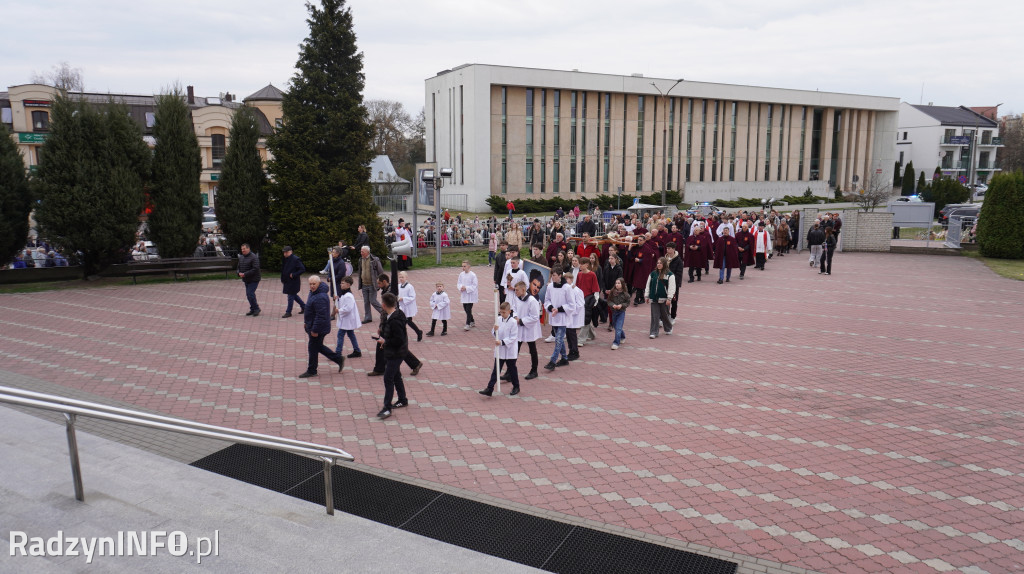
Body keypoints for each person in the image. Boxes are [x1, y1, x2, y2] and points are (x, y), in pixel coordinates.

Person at [368, 273, 423, 377]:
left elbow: (387, 310)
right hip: (388, 322)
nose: (378, 285)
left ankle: (380, 369)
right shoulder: (386, 290)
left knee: (392, 346)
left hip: (391, 322)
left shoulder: (390, 292)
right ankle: (415, 363)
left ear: (384, 282)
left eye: (379, 283)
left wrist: (382, 325)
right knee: (390, 346)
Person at [299, 276, 345, 378]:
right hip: (314, 326)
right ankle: (338, 359)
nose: (312, 286)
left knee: (313, 348)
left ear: (319, 284)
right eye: (310, 284)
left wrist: (314, 330)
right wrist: (306, 322)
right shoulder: (313, 293)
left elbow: (321, 316)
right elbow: (310, 310)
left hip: (319, 328)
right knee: (317, 346)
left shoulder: (320, 297)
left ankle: (312, 370)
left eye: (314, 284)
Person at [376, 292, 409, 419]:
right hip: (395, 351)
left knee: (388, 378)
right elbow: (387, 326)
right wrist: (382, 330)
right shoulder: (394, 314)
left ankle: (387, 408)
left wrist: (385, 342)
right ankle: (402, 399)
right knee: (396, 375)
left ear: (384, 305)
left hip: (396, 353)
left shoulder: (395, 320)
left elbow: (398, 340)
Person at [480, 302, 520, 397]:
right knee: (496, 369)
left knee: (512, 369)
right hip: (500, 350)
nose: (502, 314)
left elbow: (513, 337)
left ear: (509, 312)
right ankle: (490, 388)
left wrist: (502, 342)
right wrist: (494, 330)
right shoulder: (498, 319)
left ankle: (516, 386)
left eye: (504, 312)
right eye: (501, 312)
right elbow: (494, 333)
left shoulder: (513, 322)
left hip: (509, 349)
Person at [543, 266, 575, 370]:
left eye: (554, 275)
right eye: (552, 275)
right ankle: (564, 359)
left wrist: (559, 309)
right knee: (559, 339)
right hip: (554, 316)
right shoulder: (550, 286)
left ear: (560, 276)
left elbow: (572, 305)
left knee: (558, 339)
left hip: (562, 317)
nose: (552, 277)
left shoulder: (567, 288)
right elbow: (546, 300)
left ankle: (553, 361)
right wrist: (551, 308)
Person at [509, 280, 540, 380]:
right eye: (515, 290)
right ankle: (510, 371)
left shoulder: (532, 301)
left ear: (523, 289)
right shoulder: (517, 298)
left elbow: (535, 317)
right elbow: (514, 309)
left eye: (517, 290)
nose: (515, 292)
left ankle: (534, 370)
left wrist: (521, 321)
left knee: (532, 349)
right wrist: (515, 317)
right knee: (515, 349)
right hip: (519, 327)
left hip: (529, 328)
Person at [333, 276, 362, 358]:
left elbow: (348, 308)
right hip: (346, 319)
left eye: (343, 283)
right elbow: (342, 302)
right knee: (350, 334)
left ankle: (338, 353)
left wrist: (339, 310)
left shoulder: (348, 296)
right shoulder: (344, 294)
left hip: (347, 319)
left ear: (348, 285)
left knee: (340, 335)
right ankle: (357, 350)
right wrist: (337, 299)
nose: (341, 285)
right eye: (341, 283)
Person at [647, 257, 675, 339]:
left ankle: (668, 328)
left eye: (660, 263)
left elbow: (672, 287)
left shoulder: (670, 275)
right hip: (654, 298)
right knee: (655, 316)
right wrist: (647, 295)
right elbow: (648, 285)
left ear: (664, 264)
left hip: (664, 299)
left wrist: (669, 298)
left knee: (664, 315)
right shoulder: (652, 274)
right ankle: (653, 332)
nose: (658, 264)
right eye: (658, 263)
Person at [575, 258, 600, 346]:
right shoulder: (579, 274)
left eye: (582, 264)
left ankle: (581, 340)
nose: (580, 265)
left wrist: (595, 301)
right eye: (580, 264)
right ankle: (592, 334)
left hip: (589, 300)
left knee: (585, 319)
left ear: (587, 265)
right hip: (580, 300)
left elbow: (596, 289)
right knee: (586, 319)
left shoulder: (592, 274)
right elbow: (577, 288)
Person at [357, 246, 385, 323]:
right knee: (366, 301)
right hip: (364, 284)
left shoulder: (374, 260)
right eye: (361, 251)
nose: (361, 253)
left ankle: (384, 313)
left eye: (362, 251)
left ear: (367, 252)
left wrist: (380, 282)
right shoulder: (360, 260)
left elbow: (380, 272)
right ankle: (368, 317)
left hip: (372, 284)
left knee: (373, 300)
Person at [280, 246, 306, 318]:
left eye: (286, 252)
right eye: (284, 252)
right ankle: (304, 307)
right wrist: (282, 278)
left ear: (290, 252)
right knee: (293, 295)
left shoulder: (296, 259)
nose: (285, 254)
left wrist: (294, 274)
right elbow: (283, 269)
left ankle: (288, 312)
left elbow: (302, 269)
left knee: (290, 296)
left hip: (293, 281)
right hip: (287, 280)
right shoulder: (285, 259)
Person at [397, 271, 424, 341]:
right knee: (403, 321)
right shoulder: (399, 286)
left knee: (408, 321)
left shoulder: (409, 287)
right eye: (400, 277)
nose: (401, 278)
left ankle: (418, 332)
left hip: (408, 306)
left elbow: (412, 297)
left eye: (402, 277)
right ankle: (402, 336)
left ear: (406, 278)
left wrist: (403, 298)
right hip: (401, 306)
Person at [564, 271, 585, 361]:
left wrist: (572, 312)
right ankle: (571, 350)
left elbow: (580, 304)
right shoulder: (567, 289)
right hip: (568, 315)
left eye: (567, 279)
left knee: (572, 334)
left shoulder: (576, 290)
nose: (565, 281)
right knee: (568, 334)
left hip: (573, 316)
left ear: (571, 279)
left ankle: (575, 351)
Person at [237, 243, 261, 316]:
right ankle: (253, 309)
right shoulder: (241, 257)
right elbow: (238, 267)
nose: (243, 250)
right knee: (249, 295)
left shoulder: (254, 257)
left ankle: (256, 309)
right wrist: (238, 273)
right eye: (242, 249)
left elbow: (255, 269)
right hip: (246, 279)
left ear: (248, 248)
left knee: (250, 294)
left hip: (254, 279)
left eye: (244, 249)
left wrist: (245, 274)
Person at [608, 278, 630, 350]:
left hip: (621, 312)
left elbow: (627, 303)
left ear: (622, 285)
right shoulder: (612, 292)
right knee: (615, 326)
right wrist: (613, 305)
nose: (617, 285)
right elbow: (609, 301)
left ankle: (616, 343)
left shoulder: (625, 294)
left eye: (619, 283)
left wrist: (621, 305)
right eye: (616, 283)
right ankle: (622, 336)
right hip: (614, 312)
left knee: (618, 328)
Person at [457, 261, 478, 330]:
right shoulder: (461, 274)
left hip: (471, 295)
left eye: (464, 266)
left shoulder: (473, 275)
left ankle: (467, 324)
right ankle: (472, 320)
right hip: (464, 294)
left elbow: (474, 285)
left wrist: (466, 288)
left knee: (468, 309)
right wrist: (461, 287)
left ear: (468, 266)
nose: (463, 268)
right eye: (462, 266)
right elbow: (459, 283)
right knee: (465, 309)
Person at [665, 243, 684, 319]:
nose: (667, 250)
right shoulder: (664, 259)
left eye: (669, 248)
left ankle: (673, 316)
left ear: (673, 249)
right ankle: (664, 316)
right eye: (667, 248)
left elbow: (679, 274)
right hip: (664, 283)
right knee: (664, 300)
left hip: (674, 284)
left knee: (674, 301)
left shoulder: (678, 260)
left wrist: (671, 279)